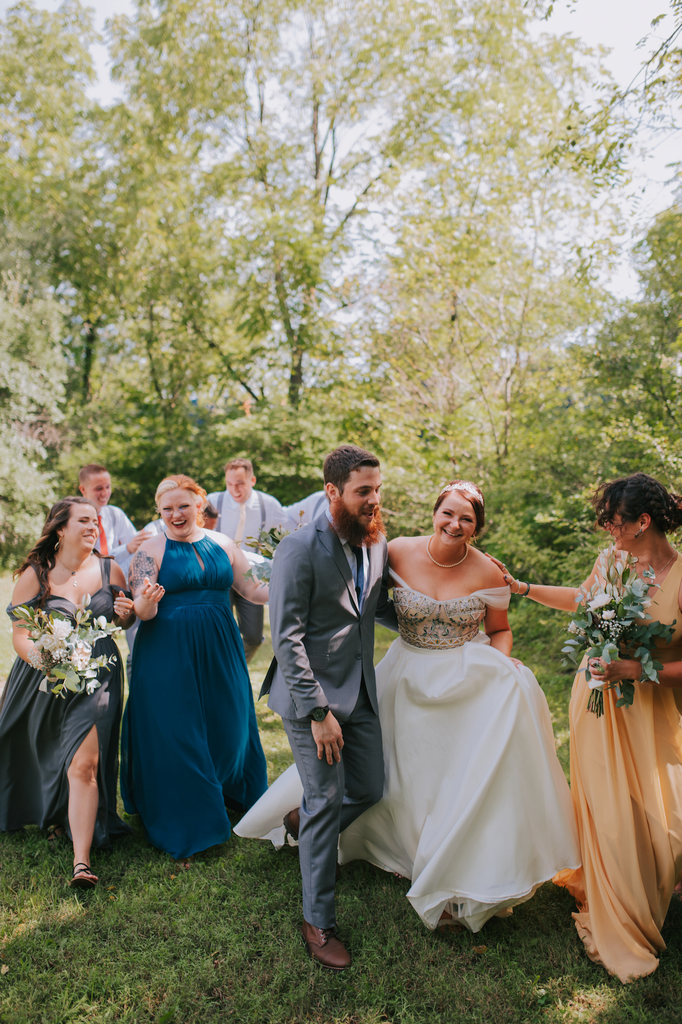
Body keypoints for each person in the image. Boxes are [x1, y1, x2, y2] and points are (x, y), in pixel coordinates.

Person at [238, 479, 579, 940]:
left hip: (464, 678)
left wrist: (499, 661)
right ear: (434, 513)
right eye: (448, 513)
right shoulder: (396, 550)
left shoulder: (488, 573)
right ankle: (325, 826)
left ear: (477, 527)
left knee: (456, 779)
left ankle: (449, 867)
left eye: (466, 518)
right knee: (396, 774)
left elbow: (500, 629)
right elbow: (362, 595)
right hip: (405, 672)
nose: (454, 524)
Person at [500, 472, 682, 983]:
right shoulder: (613, 561)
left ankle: (652, 881)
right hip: (600, 702)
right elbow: (584, 601)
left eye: (614, 524)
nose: (609, 533)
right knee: (607, 808)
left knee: (660, 816)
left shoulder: (681, 577)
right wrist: (524, 589)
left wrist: (634, 670)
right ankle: (617, 901)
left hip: (651, 709)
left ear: (643, 522)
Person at [236, 445, 399, 971]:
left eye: (377, 490)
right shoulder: (299, 550)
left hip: (363, 693)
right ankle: (317, 921)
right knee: (327, 800)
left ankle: (302, 821)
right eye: (363, 492)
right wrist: (318, 713)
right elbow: (286, 637)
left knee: (370, 788)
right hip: (311, 700)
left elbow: (381, 610)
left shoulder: (377, 545)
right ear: (332, 492)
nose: (374, 501)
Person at [120, 475, 269, 860]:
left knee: (230, 723)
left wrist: (295, 576)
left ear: (198, 505)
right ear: (159, 512)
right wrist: (148, 601)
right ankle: (189, 817)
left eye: (182, 505)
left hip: (221, 646)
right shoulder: (149, 552)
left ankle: (227, 791)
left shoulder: (224, 544)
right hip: (168, 650)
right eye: (167, 508)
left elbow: (253, 590)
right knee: (178, 730)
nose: (175, 514)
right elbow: (141, 610)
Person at [0, 497, 135, 888]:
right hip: (47, 676)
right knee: (53, 753)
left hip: (99, 676)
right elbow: (20, 635)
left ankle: (81, 862)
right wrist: (43, 658)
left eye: (96, 521)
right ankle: (59, 814)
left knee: (84, 764)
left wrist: (125, 615)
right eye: (84, 520)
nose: (93, 526)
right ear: (61, 528)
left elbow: (121, 621)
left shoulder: (112, 568)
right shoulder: (35, 573)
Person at [207, 458, 291, 662]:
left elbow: (288, 538)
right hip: (219, 574)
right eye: (229, 484)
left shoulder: (268, 504)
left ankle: (234, 664)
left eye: (240, 484)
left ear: (252, 480)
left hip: (251, 575)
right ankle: (224, 670)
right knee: (220, 633)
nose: (234, 490)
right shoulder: (213, 501)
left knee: (253, 637)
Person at [79, 463, 150, 676]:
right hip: (88, 587)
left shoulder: (114, 514)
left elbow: (136, 549)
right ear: (83, 489)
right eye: (98, 488)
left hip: (115, 585)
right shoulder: (74, 515)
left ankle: (135, 673)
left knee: (136, 636)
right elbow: (85, 557)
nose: (105, 493)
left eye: (108, 487)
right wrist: (124, 548)